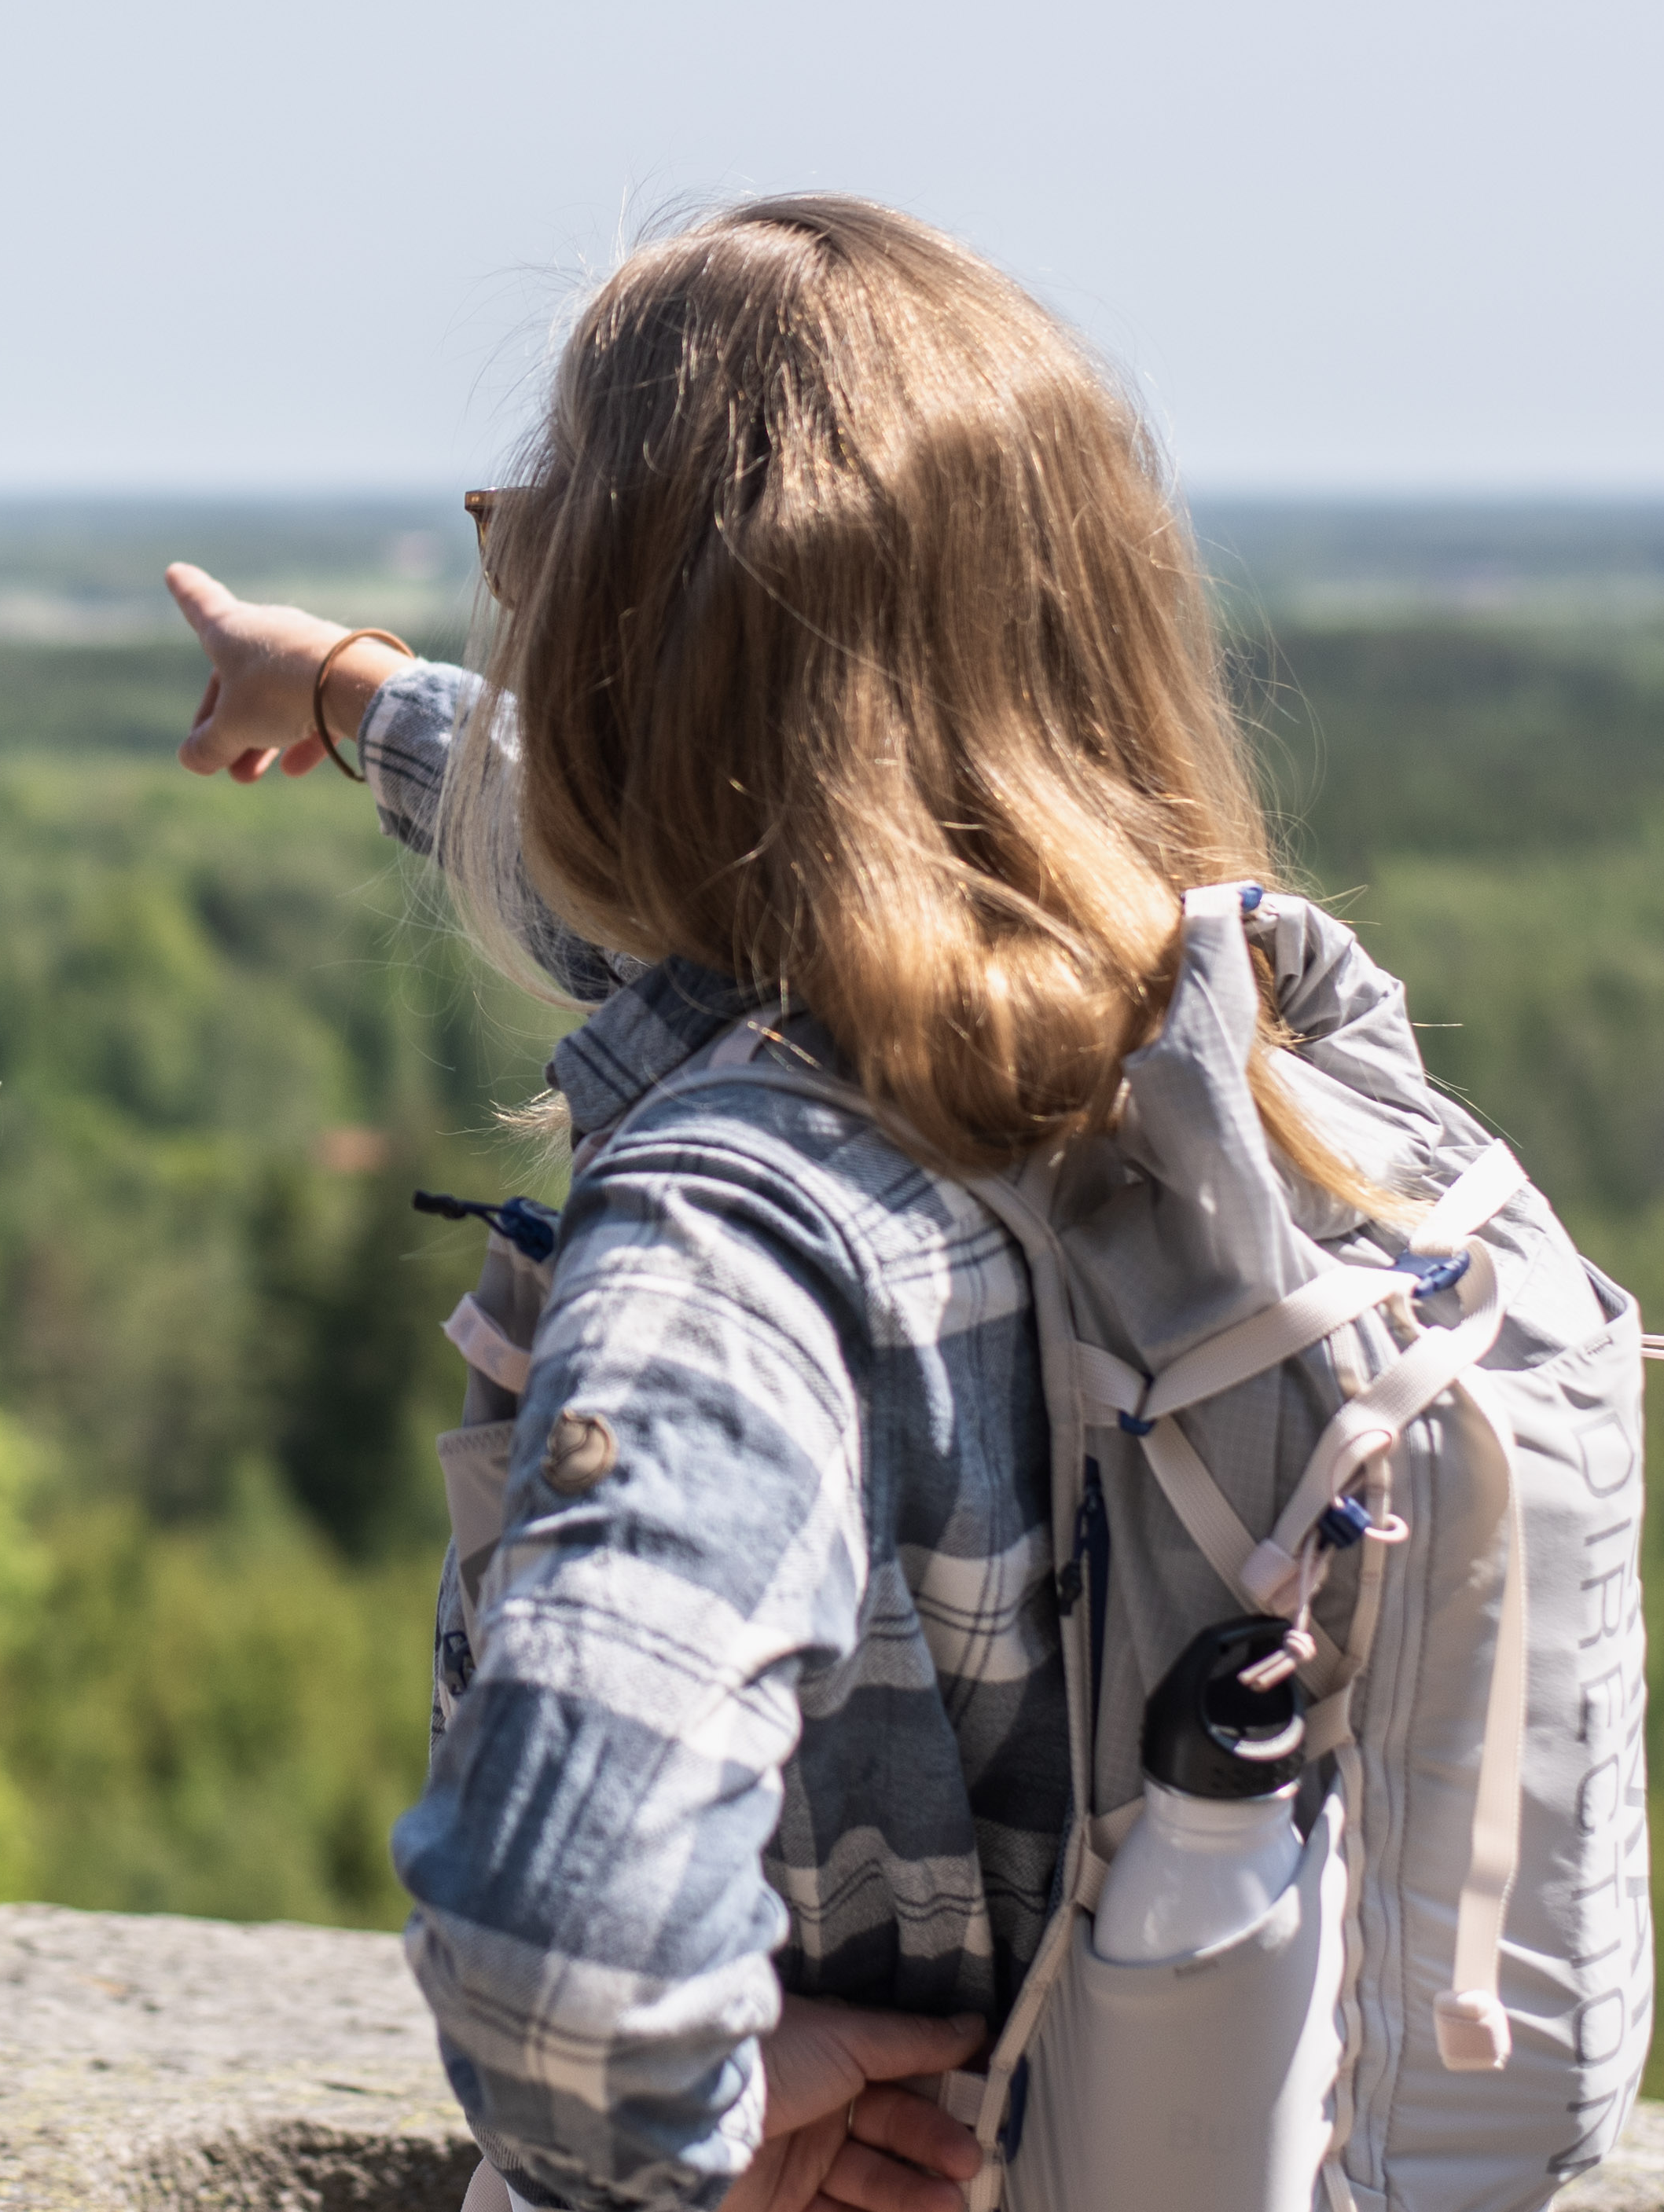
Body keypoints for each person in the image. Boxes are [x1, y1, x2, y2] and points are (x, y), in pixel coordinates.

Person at [166, 195, 1376, 2212]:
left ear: (650, 683)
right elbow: (696, 892)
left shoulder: (743, 1236)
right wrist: (359, 690)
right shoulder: (1225, 1053)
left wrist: (712, 2123)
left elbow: (568, 1952)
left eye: (531, 548)